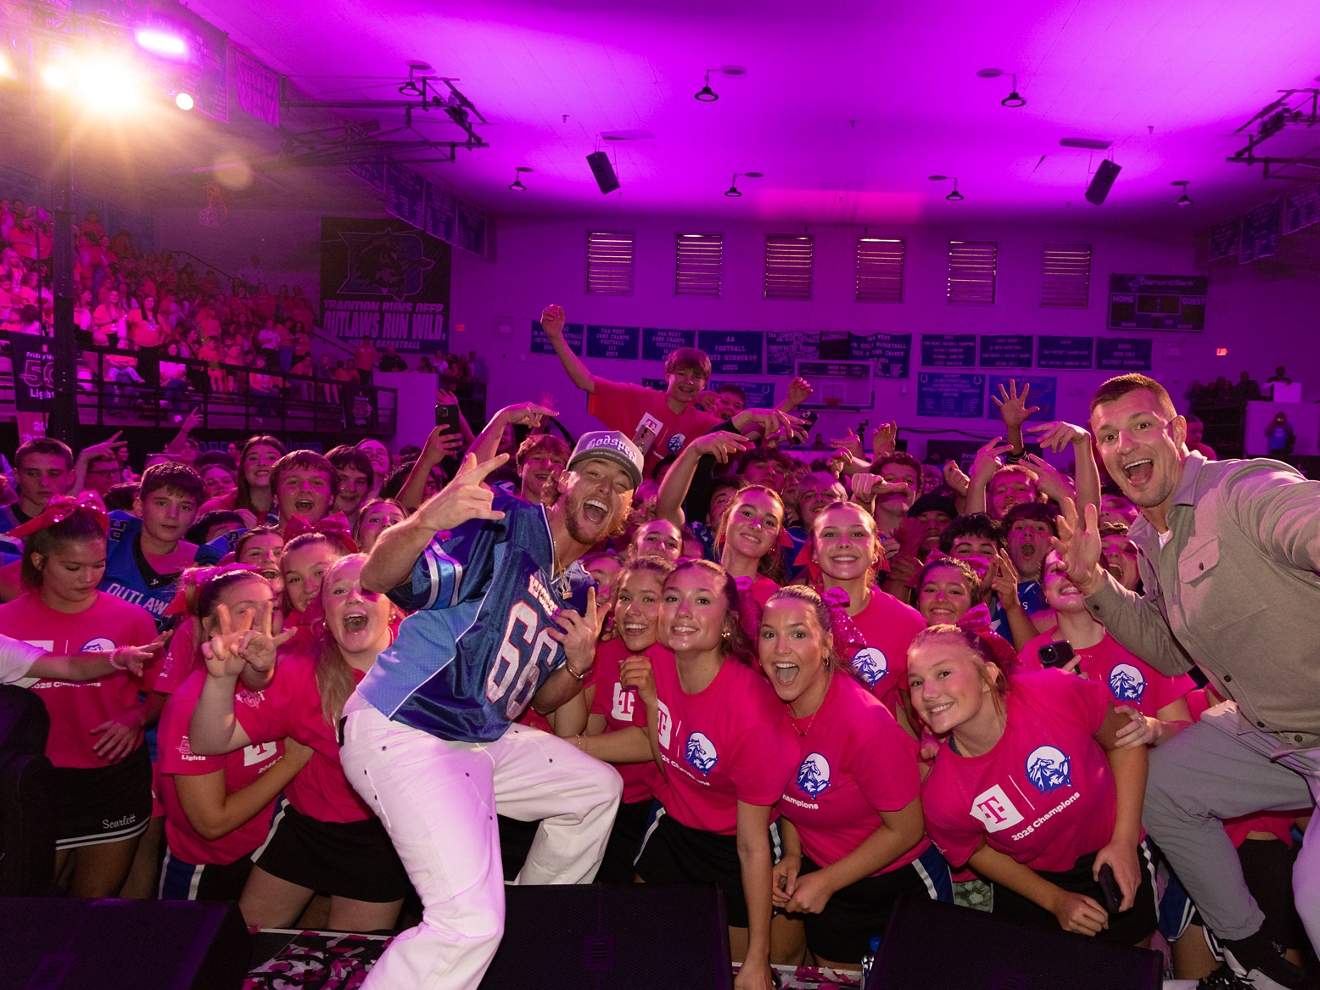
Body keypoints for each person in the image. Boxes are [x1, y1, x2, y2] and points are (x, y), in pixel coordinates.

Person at [338, 433, 643, 990]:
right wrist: (426, 519)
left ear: (626, 512)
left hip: (480, 737)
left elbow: (536, 697)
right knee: (466, 923)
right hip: (407, 728)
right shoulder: (505, 524)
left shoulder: (577, 590)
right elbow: (375, 578)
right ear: (563, 481)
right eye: (595, 473)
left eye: (622, 486)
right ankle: (481, 939)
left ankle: (525, 935)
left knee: (595, 790)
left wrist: (578, 664)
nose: (606, 488)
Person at [1053, 373, 1320, 989]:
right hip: (1268, 735)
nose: (1125, 444)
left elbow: (1301, 518)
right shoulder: (1153, 537)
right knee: (1157, 785)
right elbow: (1172, 653)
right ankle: (1252, 951)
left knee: (1313, 896)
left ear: (1176, 433)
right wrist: (1096, 584)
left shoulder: (1241, 490)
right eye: (1108, 435)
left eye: (1141, 425)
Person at [189, 555, 410, 930]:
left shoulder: (429, 662)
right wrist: (221, 680)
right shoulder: (301, 672)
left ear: (391, 608)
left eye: (368, 589)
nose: (354, 597)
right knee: (244, 947)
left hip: (383, 838)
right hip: (309, 826)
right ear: (324, 614)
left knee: (350, 963)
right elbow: (208, 741)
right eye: (339, 591)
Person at [909, 625, 1156, 945]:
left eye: (943, 673)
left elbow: (1125, 742)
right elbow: (975, 850)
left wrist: (1124, 844)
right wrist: (1054, 900)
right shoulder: (942, 797)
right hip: (1035, 888)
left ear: (988, 674)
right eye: (916, 682)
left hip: (1114, 854)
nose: (927, 692)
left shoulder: (1054, 693)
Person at [759, 587, 951, 969]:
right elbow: (794, 796)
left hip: (897, 885)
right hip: (824, 878)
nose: (780, 648)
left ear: (827, 644)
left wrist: (827, 881)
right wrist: (794, 855)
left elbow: (907, 829)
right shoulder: (768, 709)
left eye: (798, 633)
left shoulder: (864, 723)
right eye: (769, 633)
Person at [629, 559, 799, 990]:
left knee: (729, 974)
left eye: (702, 600)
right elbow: (668, 758)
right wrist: (651, 703)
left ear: (727, 623)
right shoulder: (658, 661)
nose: (683, 611)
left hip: (737, 847)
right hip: (677, 827)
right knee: (646, 957)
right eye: (672, 598)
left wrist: (758, 958)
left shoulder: (751, 711)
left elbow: (752, 846)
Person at [0, 496, 161, 896]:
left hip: (111, 778)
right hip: (32, 783)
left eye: (99, 565)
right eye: (73, 567)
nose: (88, 577)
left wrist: (136, 719)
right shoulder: (6, 622)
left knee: (91, 909)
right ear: (38, 561)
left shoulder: (132, 618)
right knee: (31, 904)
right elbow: (70, 667)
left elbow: (163, 692)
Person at [157, 569, 313, 902]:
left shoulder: (287, 674)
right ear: (210, 627)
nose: (263, 620)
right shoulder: (191, 706)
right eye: (245, 610)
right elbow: (211, 823)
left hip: (271, 848)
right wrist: (293, 761)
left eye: (272, 607)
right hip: (210, 865)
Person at [554, 555, 674, 882]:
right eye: (624, 598)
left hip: (660, 805)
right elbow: (580, 728)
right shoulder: (609, 653)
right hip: (611, 801)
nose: (632, 610)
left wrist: (570, 747)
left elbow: (649, 742)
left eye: (648, 600)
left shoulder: (678, 658)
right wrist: (580, 661)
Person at [1017, 551, 1195, 749]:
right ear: (1044, 591)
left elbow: (1186, 730)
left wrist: (1154, 730)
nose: (1069, 574)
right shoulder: (1028, 659)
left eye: (1080, 565)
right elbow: (1023, 747)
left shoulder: (1143, 640)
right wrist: (1053, 706)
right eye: (1057, 570)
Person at [538, 303, 721, 474]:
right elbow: (584, 381)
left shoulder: (702, 422)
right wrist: (556, 337)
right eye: (682, 373)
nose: (689, 381)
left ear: (704, 384)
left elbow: (745, 433)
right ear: (667, 376)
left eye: (697, 377)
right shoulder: (637, 398)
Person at [808, 502, 925, 722]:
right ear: (814, 552)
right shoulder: (789, 615)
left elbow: (916, 719)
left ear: (875, 552)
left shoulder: (907, 622)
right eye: (830, 534)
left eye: (857, 534)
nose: (844, 543)